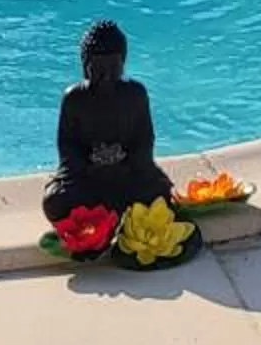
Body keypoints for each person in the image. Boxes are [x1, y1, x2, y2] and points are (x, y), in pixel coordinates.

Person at [41, 20, 171, 223]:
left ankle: (110, 212)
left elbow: (144, 139)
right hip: (87, 178)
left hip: (127, 174)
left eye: (113, 67)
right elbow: (67, 146)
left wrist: (125, 162)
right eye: (98, 69)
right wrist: (90, 164)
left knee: (160, 192)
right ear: (86, 67)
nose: (106, 76)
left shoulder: (135, 94)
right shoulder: (74, 99)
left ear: (123, 64)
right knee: (55, 202)